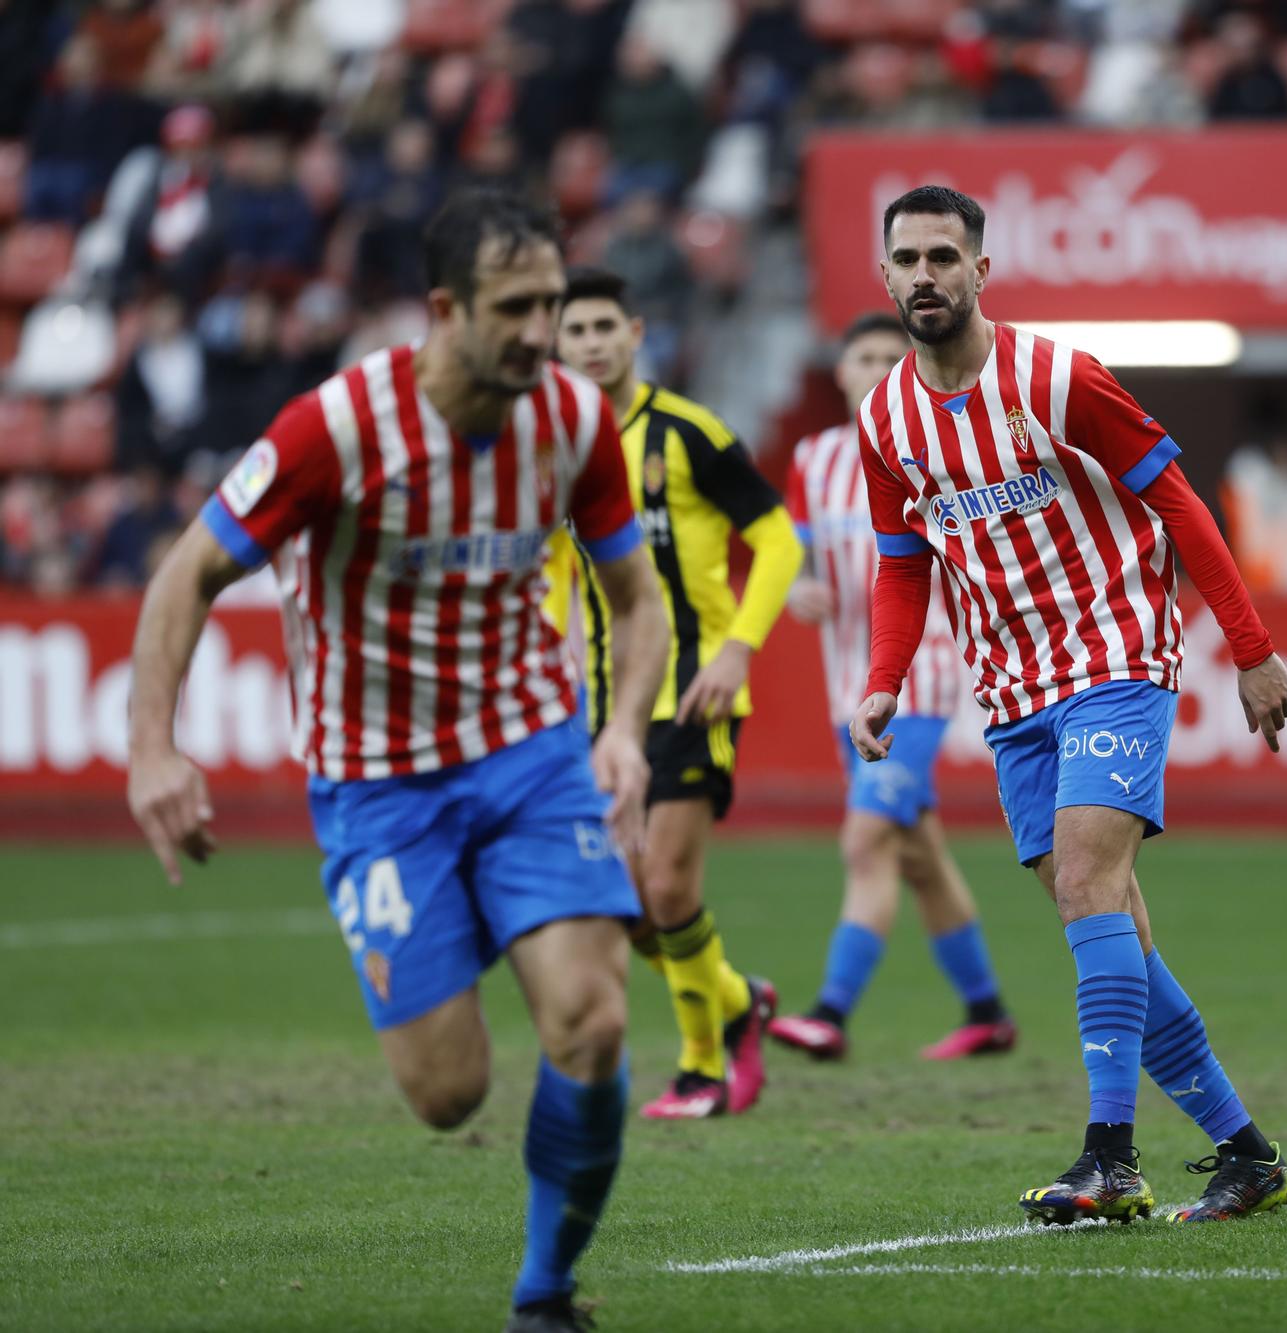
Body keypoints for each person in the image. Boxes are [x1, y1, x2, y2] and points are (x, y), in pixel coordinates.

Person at [125, 189, 671, 1333]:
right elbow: (187, 576)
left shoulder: (571, 423)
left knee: (594, 1017)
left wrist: (621, 727)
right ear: (442, 309)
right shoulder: (332, 429)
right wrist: (152, 751)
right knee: (446, 1092)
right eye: (513, 307)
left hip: (531, 755)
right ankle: (457, 921)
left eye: (552, 301)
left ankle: (544, 1295)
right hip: (379, 785)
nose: (539, 329)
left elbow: (635, 594)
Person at [851, 185, 1287, 1225]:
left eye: (943, 257)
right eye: (907, 259)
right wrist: (883, 677)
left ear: (979, 271)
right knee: (1105, 924)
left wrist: (1250, 649)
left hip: (1111, 654)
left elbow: (1175, 499)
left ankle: (1109, 1159)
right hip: (1009, 691)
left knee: (1091, 880)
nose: (925, 275)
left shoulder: (1058, 377)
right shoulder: (886, 420)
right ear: (885, 276)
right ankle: (1247, 1153)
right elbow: (901, 564)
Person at [542, 266, 802, 1121]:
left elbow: (777, 543)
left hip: (693, 695)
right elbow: (552, 574)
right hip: (604, 712)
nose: (589, 344)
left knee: (665, 890)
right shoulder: (554, 453)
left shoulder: (689, 435)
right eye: (573, 331)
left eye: (602, 327)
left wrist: (736, 653)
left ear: (635, 332)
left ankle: (701, 1065)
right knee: (621, 904)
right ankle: (737, 999)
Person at [767, 311, 1014, 1062]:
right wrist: (796, 589)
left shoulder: (928, 446)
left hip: (924, 677)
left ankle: (830, 1014)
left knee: (865, 838)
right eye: (861, 357)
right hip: (852, 686)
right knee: (918, 854)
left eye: (888, 356)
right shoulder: (814, 458)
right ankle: (987, 1012)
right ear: (839, 372)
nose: (874, 367)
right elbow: (798, 556)